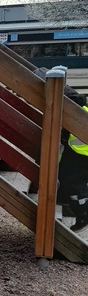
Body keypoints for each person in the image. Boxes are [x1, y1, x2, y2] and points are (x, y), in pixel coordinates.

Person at [58, 85, 88, 232]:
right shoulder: (81, 108)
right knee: (71, 180)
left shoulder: (70, 112)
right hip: (79, 151)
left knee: (73, 183)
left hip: (81, 153)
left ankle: (83, 213)